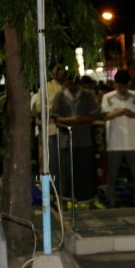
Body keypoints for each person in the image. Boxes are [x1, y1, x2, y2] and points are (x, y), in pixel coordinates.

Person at [51, 73, 102, 207]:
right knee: (66, 174)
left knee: (86, 172)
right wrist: (77, 120)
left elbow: (94, 116)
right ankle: (64, 202)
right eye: (69, 83)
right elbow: (56, 118)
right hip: (65, 141)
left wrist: (76, 120)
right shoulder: (60, 96)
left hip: (84, 141)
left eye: (74, 83)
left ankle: (89, 201)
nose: (72, 86)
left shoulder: (88, 95)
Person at [102, 69, 135, 207]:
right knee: (112, 174)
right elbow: (105, 116)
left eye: (125, 86)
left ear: (129, 84)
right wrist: (122, 111)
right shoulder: (108, 97)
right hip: (114, 142)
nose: (122, 89)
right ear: (115, 84)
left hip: (133, 142)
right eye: (120, 86)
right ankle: (111, 200)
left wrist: (124, 113)